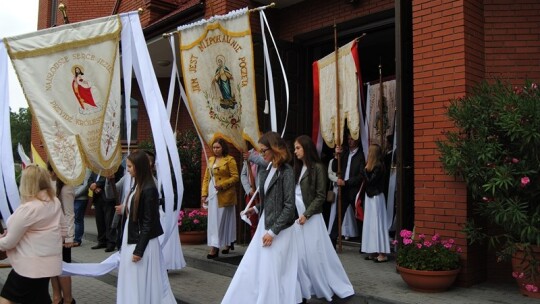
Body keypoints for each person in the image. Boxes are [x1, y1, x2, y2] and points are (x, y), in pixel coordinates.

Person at [222, 131, 298, 304]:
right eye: (261, 150)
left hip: (280, 230)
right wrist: (255, 209)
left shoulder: (286, 172)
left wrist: (272, 232)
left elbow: (289, 206)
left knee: (273, 269)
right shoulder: (268, 169)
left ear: (275, 149)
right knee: (256, 266)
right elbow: (269, 200)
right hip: (265, 223)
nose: (261, 154)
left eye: (264, 150)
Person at [293, 135, 354, 302]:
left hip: (310, 217)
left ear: (306, 148)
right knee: (301, 254)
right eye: (295, 148)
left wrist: (307, 214)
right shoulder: (297, 167)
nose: (295, 151)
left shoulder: (318, 167)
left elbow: (320, 196)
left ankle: (326, 283)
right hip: (297, 216)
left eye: (298, 148)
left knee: (316, 253)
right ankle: (305, 286)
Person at [115, 150, 176, 303]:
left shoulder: (149, 189)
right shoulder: (138, 185)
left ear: (139, 167)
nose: (127, 169)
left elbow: (149, 222)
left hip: (142, 242)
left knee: (138, 279)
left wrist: (139, 250)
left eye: (130, 166)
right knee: (131, 278)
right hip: (133, 237)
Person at [0, 164, 66, 304]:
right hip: (49, 265)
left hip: (29, 267)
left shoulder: (29, 209)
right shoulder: (55, 202)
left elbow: (9, 242)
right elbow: (63, 230)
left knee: (6, 299)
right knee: (39, 298)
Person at [201, 138, 239, 258]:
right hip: (212, 192)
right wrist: (204, 194)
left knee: (224, 220)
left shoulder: (230, 160)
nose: (215, 150)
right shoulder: (211, 160)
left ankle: (218, 246)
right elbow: (206, 178)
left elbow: (235, 177)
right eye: (214, 147)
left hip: (225, 193)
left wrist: (223, 185)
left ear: (223, 148)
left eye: (218, 147)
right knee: (214, 220)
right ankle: (219, 243)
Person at [330, 134, 365, 248]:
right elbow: (335, 168)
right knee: (338, 215)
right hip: (344, 190)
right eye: (348, 139)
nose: (350, 142)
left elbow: (361, 175)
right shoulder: (344, 153)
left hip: (354, 190)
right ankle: (332, 240)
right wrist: (336, 156)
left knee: (359, 217)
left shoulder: (361, 155)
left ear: (357, 140)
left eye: (352, 139)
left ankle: (364, 243)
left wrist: (347, 182)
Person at [48, 163, 76, 304]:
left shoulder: (66, 188)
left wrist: (70, 237)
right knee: (53, 267)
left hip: (63, 235)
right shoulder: (51, 185)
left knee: (63, 268)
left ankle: (68, 299)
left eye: (50, 171)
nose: (49, 174)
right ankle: (57, 296)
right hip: (53, 235)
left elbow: (69, 214)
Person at [361, 144, 391, 263]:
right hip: (370, 197)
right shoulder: (374, 166)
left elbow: (370, 181)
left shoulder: (378, 166)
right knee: (370, 224)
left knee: (377, 223)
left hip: (376, 197)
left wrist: (364, 171)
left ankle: (382, 253)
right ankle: (374, 250)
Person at [89, 167, 123, 252]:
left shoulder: (113, 165)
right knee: (99, 221)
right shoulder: (96, 167)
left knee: (109, 221)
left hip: (108, 197)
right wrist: (92, 186)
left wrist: (96, 185)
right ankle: (101, 241)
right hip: (97, 197)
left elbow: (109, 178)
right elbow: (90, 179)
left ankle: (111, 242)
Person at [239, 148, 267, 239]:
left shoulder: (266, 152)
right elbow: (243, 174)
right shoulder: (249, 152)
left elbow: (266, 163)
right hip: (251, 193)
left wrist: (251, 157)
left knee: (262, 221)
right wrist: (248, 189)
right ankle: (253, 244)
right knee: (252, 220)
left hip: (262, 192)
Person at [73, 168, 91, 247]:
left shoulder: (86, 169)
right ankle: (71, 238)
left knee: (78, 219)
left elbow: (86, 185)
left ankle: (77, 240)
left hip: (81, 198)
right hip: (70, 197)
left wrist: (74, 195)